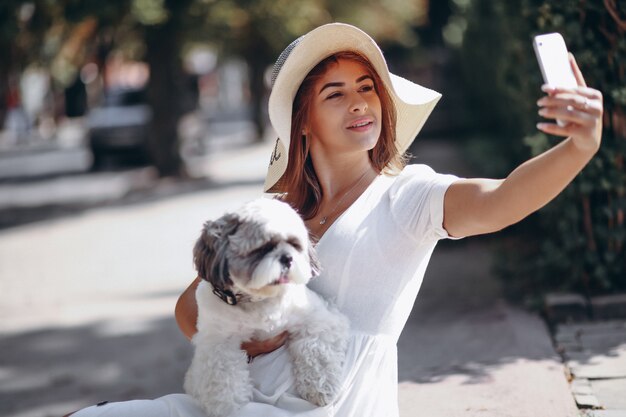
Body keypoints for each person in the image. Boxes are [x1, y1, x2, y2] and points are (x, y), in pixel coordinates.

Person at [68, 22, 603, 417]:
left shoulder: (407, 195)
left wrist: (578, 149)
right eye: (335, 92)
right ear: (302, 122)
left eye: (367, 87)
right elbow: (191, 308)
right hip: (235, 403)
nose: (359, 102)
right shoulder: (279, 212)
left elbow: (502, 199)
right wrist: (254, 337)